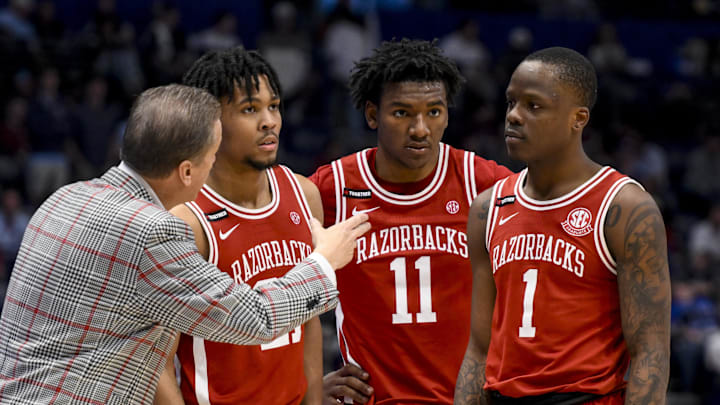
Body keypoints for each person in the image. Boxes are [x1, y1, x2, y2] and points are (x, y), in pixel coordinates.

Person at [0, 84, 370, 404]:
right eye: (211, 159)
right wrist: (323, 261)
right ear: (187, 171)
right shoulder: (151, 231)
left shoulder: (65, 198)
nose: (212, 171)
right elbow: (254, 319)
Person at [454, 47, 671, 404]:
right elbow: (478, 349)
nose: (514, 116)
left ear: (578, 118)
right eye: (511, 103)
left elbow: (651, 353)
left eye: (533, 106)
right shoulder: (487, 208)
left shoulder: (625, 207)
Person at [311, 38, 512, 404]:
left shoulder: (481, 183)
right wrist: (305, 382)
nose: (420, 129)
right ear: (372, 115)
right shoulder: (333, 188)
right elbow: (272, 275)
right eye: (402, 113)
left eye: (434, 112)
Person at [152, 47, 326, 404]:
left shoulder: (304, 195)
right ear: (208, 123)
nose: (269, 121)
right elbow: (154, 362)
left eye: (274, 106)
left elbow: (309, 324)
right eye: (250, 109)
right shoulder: (184, 221)